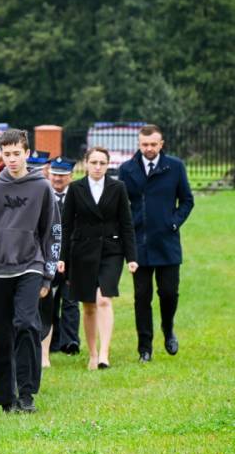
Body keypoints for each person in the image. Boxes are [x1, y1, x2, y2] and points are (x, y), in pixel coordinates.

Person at [0, 129, 60, 414]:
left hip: (30, 266)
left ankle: (27, 393)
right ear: (1, 155)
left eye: (17, 153)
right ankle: (5, 397)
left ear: (27, 153)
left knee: (27, 325)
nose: (12, 159)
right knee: (0, 334)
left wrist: (47, 275)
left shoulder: (42, 188)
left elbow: (52, 232)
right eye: (7, 154)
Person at [118, 124, 195, 362]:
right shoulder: (127, 169)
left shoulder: (175, 167)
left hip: (166, 241)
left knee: (169, 292)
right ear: (139, 144)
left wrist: (173, 223)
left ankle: (168, 328)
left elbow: (187, 200)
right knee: (142, 297)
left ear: (161, 144)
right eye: (145, 144)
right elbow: (121, 204)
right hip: (138, 243)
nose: (149, 148)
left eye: (153, 144)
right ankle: (145, 348)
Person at [59, 147, 138, 370]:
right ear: (85, 163)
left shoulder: (118, 188)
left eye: (102, 163)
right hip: (82, 253)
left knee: (103, 299)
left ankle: (104, 354)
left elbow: (126, 224)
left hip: (111, 251)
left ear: (107, 165)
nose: (97, 167)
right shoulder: (75, 188)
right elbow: (66, 226)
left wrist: (131, 257)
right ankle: (93, 353)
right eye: (93, 162)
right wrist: (62, 257)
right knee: (88, 305)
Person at [40, 157, 81, 363]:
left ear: (70, 177)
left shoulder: (78, 196)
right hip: (48, 257)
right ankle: (53, 340)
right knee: (49, 301)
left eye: (62, 175)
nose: (58, 179)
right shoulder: (43, 196)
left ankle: (70, 341)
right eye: (55, 174)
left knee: (71, 300)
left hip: (73, 257)